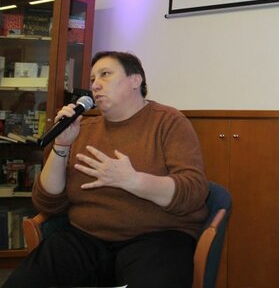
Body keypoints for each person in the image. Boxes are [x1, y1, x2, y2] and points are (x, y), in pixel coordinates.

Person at [4, 51, 209, 288]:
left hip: (158, 238)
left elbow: (194, 192)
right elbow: (47, 202)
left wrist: (133, 181)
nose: (95, 85)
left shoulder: (169, 121)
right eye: (92, 79)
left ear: (135, 80)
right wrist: (61, 145)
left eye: (105, 74)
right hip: (85, 238)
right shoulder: (82, 128)